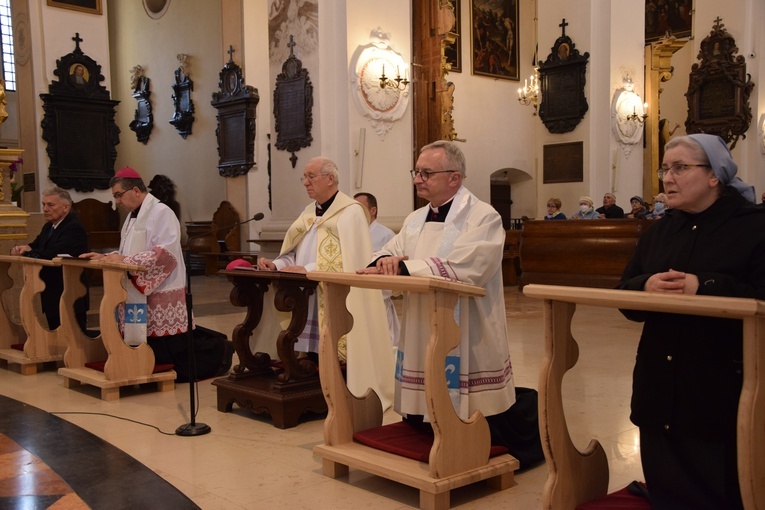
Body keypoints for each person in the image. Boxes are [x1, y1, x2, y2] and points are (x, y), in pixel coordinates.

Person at [617, 134, 763, 509]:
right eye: (665, 168)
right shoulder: (660, 231)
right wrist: (644, 286)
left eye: (680, 168)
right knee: (666, 487)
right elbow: (625, 296)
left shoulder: (754, 227)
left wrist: (706, 286)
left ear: (714, 175)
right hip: (658, 382)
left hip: (718, 387)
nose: (668, 178)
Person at [357, 141, 520, 452]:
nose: (417, 179)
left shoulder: (483, 217)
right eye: (416, 172)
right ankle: (423, 425)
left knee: (466, 395)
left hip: (467, 324)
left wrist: (405, 268)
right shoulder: (415, 218)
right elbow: (389, 251)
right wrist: (382, 262)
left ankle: (469, 435)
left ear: (454, 178)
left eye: (426, 173)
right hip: (423, 316)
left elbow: (468, 267)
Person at [257, 157, 395, 409]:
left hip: (333, 292)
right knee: (310, 346)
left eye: (311, 177)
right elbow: (294, 252)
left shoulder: (351, 212)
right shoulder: (308, 213)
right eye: (304, 177)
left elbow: (351, 260)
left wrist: (308, 269)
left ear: (330, 179)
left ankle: (337, 389)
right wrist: (277, 264)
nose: (306, 183)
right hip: (305, 292)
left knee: (331, 344)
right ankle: (312, 383)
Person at [81, 167, 232, 382]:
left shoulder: (161, 212)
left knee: (172, 345)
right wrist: (108, 256)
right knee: (152, 339)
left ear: (135, 190)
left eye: (118, 195)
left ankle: (220, 352)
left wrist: (124, 261)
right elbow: (129, 252)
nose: (117, 202)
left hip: (162, 285)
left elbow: (165, 253)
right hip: (140, 287)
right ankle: (144, 361)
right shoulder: (132, 217)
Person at [11, 187, 89, 331]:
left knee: (72, 335)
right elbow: (36, 245)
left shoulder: (73, 227)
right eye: (44, 204)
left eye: (50, 205)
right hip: (51, 291)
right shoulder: (49, 227)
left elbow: (53, 253)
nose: (45, 209)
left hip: (68, 290)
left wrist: (30, 251)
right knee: (54, 332)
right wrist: (22, 248)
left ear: (66, 207)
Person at [354, 192, 400, 347]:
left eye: (360, 207)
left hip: (378, 298)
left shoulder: (385, 234)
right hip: (356, 295)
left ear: (372, 210)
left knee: (381, 344)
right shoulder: (352, 232)